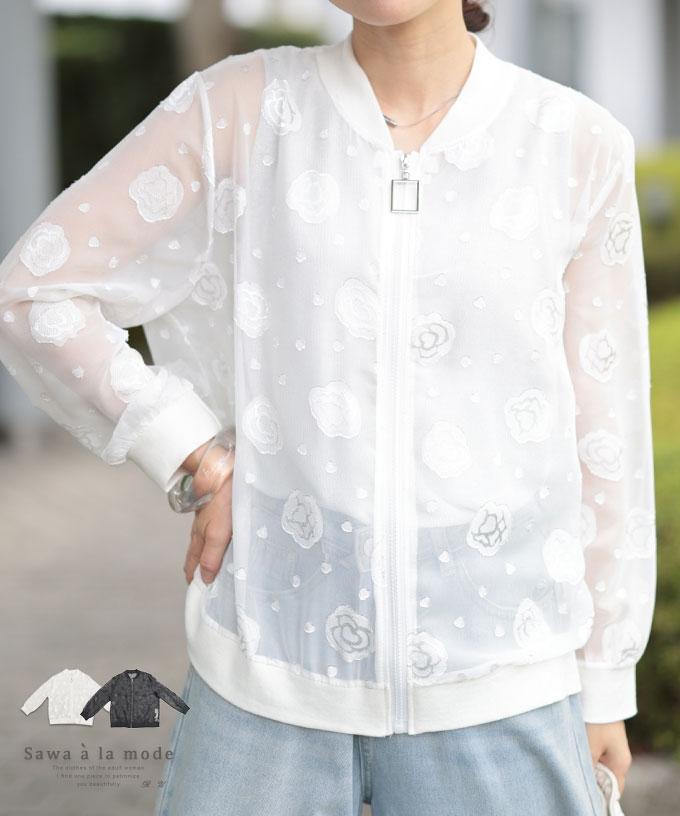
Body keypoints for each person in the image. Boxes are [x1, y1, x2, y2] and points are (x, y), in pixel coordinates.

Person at [0, 1, 656, 814]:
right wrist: (192, 451)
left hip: (503, 683)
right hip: (265, 682)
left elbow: (606, 435)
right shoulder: (238, 109)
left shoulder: (575, 144)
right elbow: (35, 290)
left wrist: (605, 680)